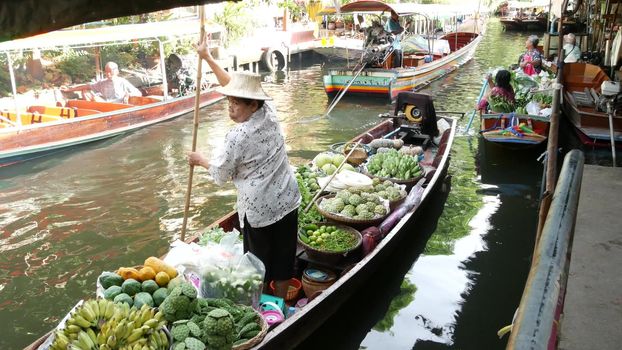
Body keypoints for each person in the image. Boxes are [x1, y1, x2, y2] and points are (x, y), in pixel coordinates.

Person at [187, 36, 301, 301]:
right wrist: (207, 57)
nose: (231, 108)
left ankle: (261, 308)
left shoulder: (237, 137)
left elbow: (219, 174)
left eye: (236, 103)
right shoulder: (268, 112)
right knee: (284, 257)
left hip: (259, 209)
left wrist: (199, 159)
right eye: (229, 102)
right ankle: (281, 304)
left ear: (252, 104)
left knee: (256, 266)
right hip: (287, 199)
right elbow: (232, 84)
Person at [62, 62, 142, 103]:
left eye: (110, 71)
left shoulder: (122, 81)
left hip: (119, 107)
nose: (108, 74)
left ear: (117, 71)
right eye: (107, 72)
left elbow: (138, 93)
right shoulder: (102, 83)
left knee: (94, 97)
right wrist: (69, 90)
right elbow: (87, 86)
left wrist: (128, 95)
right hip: (104, 105)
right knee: (85, 92)